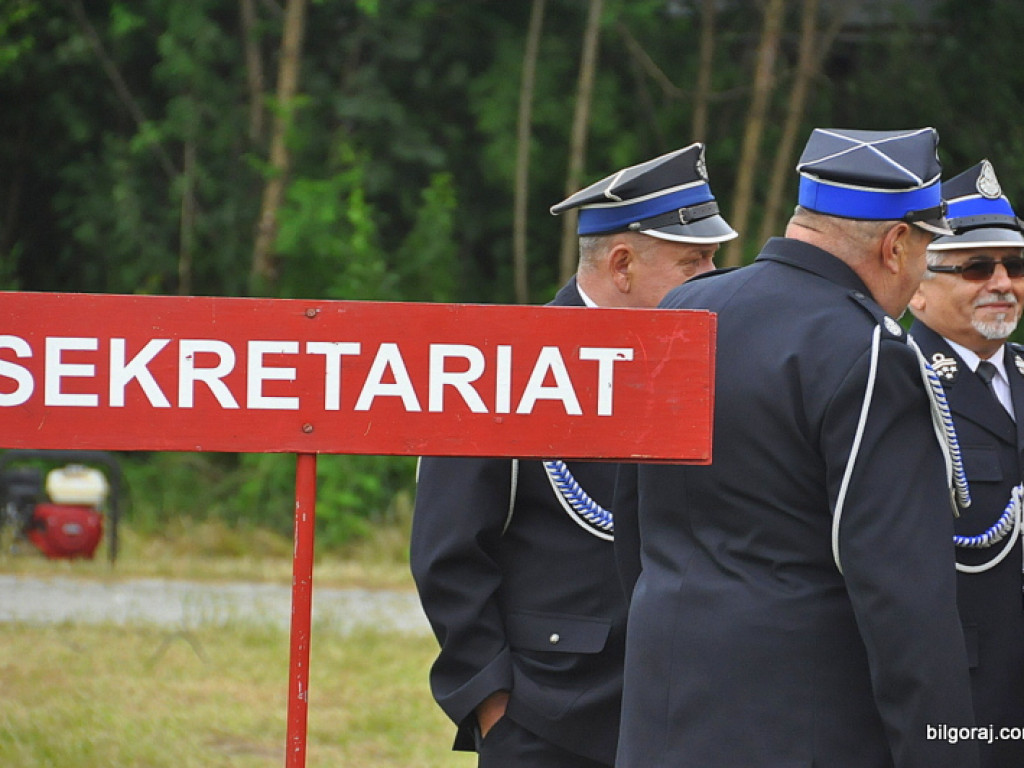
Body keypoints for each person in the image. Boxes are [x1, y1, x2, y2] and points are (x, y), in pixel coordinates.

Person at [614, 128, 979, 768]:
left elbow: (632, 522)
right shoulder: (870, 351)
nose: (923, 270)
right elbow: (902, 597)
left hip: (664, 715)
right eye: (927, 250)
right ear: (896, 244)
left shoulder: (682, 311)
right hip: (805, 728)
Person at [409, 143, 737, 768]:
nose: (715, 277)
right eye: (693, 262)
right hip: (548, 714)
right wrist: (492, 706)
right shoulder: (504, 369)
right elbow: (447, 554)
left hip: (682, 707)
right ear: (622, 265)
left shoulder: (700, 366)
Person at [907, 159, 1024, 768]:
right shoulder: (896, 379)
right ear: (918, 287)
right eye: (977, 267)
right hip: (960, 684)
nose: (1002, 283)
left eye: (1015, 267)